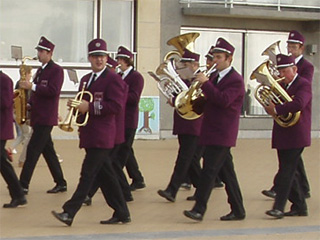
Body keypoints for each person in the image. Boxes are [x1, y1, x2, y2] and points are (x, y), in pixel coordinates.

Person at [52, 38, 130, 226]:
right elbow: (83, 103)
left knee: (87, 175)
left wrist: (90, 107)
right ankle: (122, 212)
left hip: (103, 135)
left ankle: (69, 212)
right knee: (107, 176)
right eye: (95, 56)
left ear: (106, 57)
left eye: (102, 56)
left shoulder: (113, 79)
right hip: (89, 133)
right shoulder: (86, 79)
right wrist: (77, 107)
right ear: (89, 58)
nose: (99, 60)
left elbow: (117, 106)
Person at [183, 38, 246, 222]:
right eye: (214, 56)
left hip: (223, 132)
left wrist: (205, 83)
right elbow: (209, 100)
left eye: (219, 57)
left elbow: (223, 100)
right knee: (227, 174)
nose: (215, 60)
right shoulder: (216, 77)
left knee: (209, 171)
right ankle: (239, 210)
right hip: (211, 130)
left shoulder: (235, 80)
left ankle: (199, 209)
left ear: (229, 59)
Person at [261, 30, 313, 200]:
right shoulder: (282, 66)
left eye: (294, 47)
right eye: (289, 46)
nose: (290, 50)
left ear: (301, 48)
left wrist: (281, 85)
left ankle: (281, 190)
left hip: (297, 117)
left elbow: (300, 91)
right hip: (286, 121)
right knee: (293, 162)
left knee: (290, 163)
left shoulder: (307, 67)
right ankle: (301, 191)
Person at [19, 36, 67, 194]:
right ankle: (61, 182)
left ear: (50, 53)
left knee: (32, 151)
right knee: (49, 152)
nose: (38, 54)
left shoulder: (57, 70)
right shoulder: (41, 70)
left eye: (41, 51)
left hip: (46, 118)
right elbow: (37, 94)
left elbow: (52, 91)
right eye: (38, 51)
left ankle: (22, 185)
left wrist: (32, 85)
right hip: (38, 116)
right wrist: (29, 104)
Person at [157, 49, 203, 202]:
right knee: (191, 160)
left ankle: (172, 189)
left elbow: (197, 102)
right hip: (184, 123)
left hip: (194, 125)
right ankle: (203, 189)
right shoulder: (188, 82)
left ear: (194, 65)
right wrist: (174, 99)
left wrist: (176, 100)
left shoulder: (200, 81)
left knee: (184, 158)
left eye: (183, 66)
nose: (179, 70)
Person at [115, 46, 146, 191]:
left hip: (129, 119)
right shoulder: (119, 76)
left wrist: (118, 94)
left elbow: (134, 98)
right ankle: (138, 179)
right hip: (119, 118)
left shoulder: (136, 77)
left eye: (121, 60)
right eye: (118, 59)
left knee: (122, 151)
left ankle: (115, 179)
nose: (119, 62)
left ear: (128, 61)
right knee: (127, 150)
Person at [0, 71, 27, 208]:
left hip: (1, 128)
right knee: (2, 161)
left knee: (2, 162)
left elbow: (5, 103)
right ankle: (18, 194)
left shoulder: (5, 80)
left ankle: (18, 194)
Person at [10, 65, 33, 167]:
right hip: (21, 113)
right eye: (30, 73)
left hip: (16, 113)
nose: (31, 76)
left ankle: (9, 149)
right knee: (27, 135)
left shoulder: (17, 84)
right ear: (26, 74)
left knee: (22, 135)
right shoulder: (24, 85)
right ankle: (22, 159)